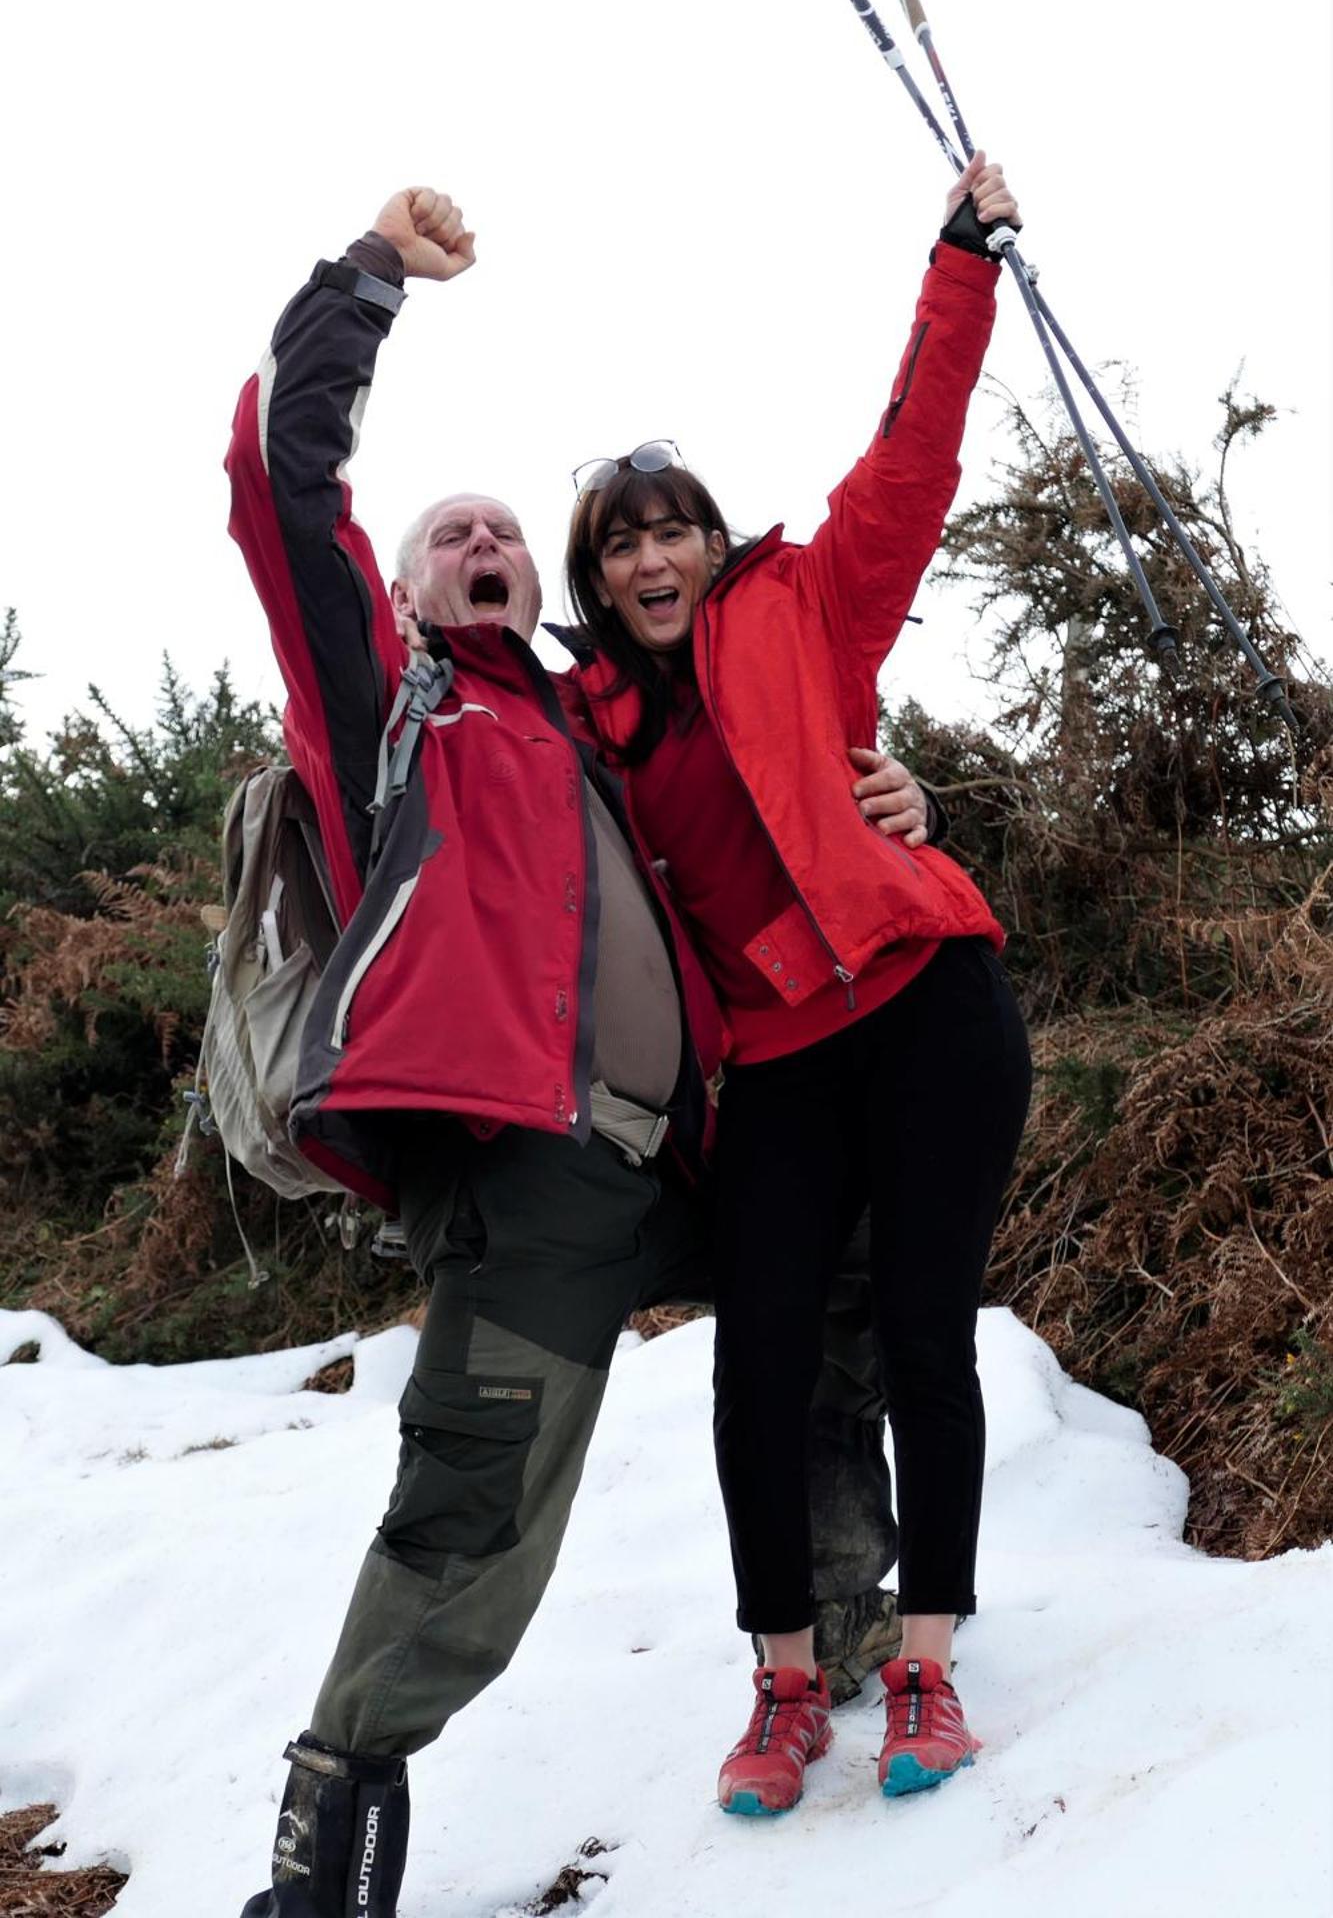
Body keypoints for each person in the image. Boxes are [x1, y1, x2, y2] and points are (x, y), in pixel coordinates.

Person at [226, 187, 948, 1917]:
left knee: (823, 1303)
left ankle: (843, 1628)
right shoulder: (389, 717)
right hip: (529, 1175)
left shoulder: (591, 723)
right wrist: (372, 276)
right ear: (397, 589)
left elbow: (759, 816)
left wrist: (898, 807)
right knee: (476, 1492)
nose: (481, 540)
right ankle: (329, 1843)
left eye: (500, 531)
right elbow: (281, 479)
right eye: (446, 531)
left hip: (674, 1150)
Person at [562, 152, 1035, 1815]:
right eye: (622, 543)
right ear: (599, 580)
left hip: (921, 1006)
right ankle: (781, 1686)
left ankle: (924, 1664)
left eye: (675, 524)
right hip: (771, 1063)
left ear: (712, 540)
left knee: (922, 1330)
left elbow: (911, 460)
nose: (655, 554)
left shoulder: (806, 610)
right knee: (754, 1355)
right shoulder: (587, 733)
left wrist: (956, 259)